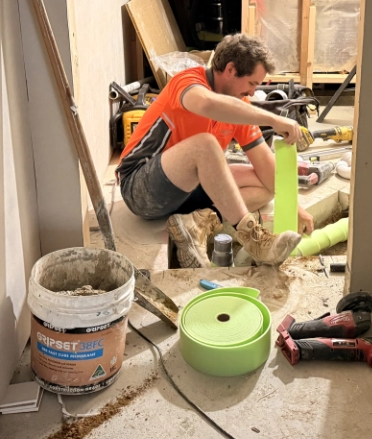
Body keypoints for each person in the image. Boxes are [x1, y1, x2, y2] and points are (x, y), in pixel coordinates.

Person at [116, 33, 315, 267]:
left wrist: (295, 208)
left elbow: (265, 166)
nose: (252, 92)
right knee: (206, 144)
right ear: (230, 69)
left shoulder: (239, 108)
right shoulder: (187, 82)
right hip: (141, 189)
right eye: (251, 83)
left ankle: (197, 223)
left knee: (264, 186)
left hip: (185, 191)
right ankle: (254, 240)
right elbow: (207, 104)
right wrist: (274, 120)